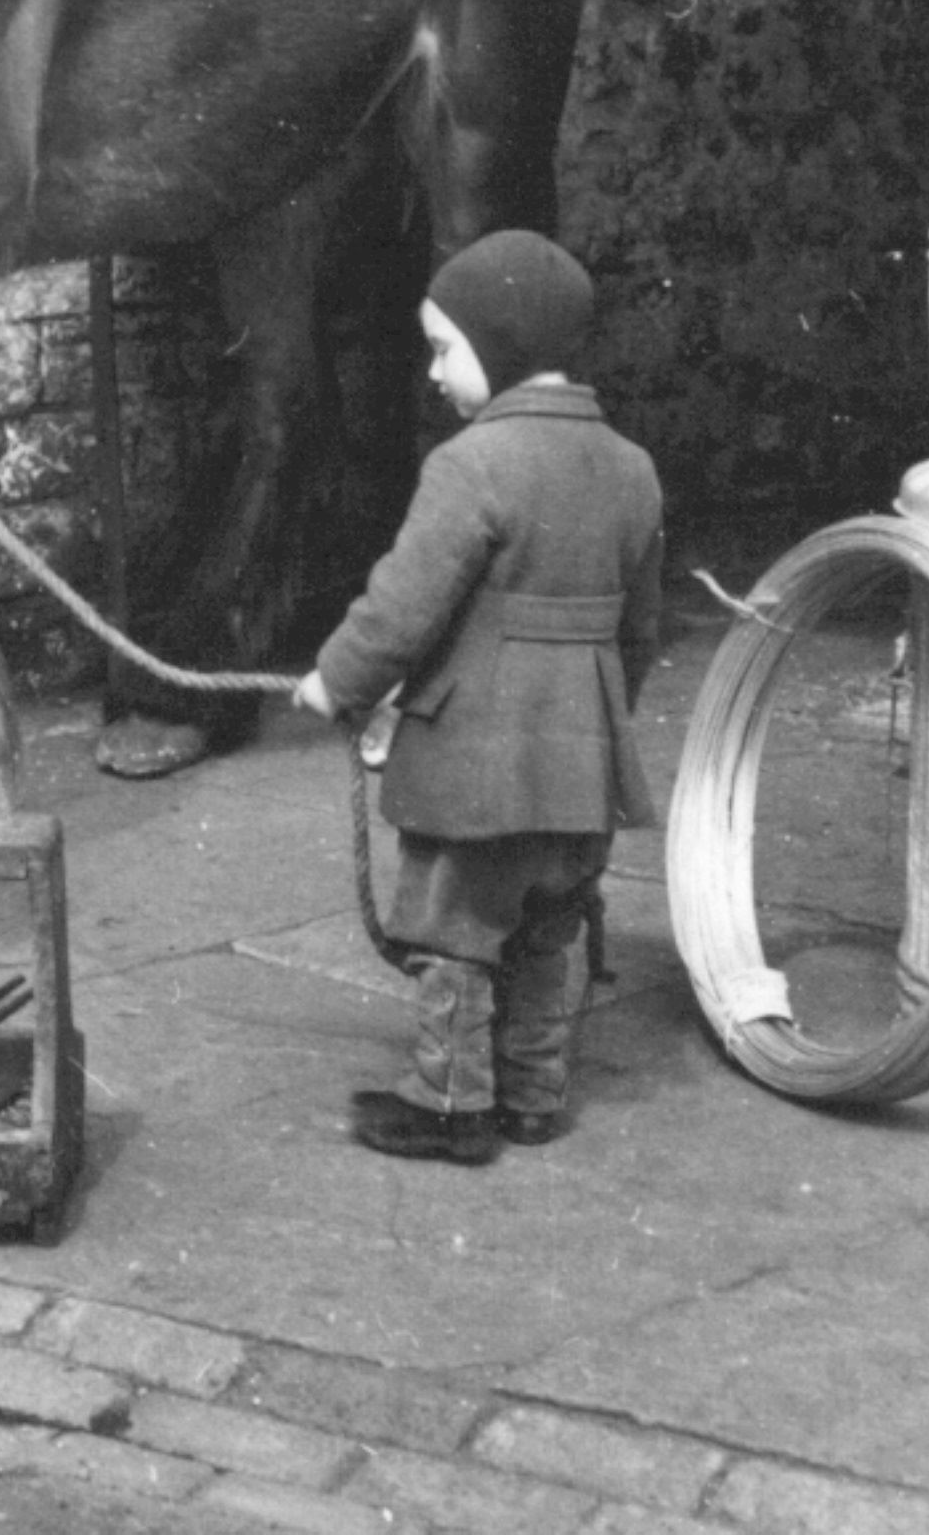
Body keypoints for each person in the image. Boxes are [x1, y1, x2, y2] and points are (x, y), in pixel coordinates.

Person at [296, 230, 663, 1165]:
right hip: (582, 760)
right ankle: (534, 1094)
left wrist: (337, 682)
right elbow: (642, 631)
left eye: (443, 347)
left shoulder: (470, 465)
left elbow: (403, 606)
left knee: (455, 927)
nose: (431, 372)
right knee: (550, 926)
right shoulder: (632, 469)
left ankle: (453, 1102)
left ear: (496, 346)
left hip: (479, 763)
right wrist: (594, 714)